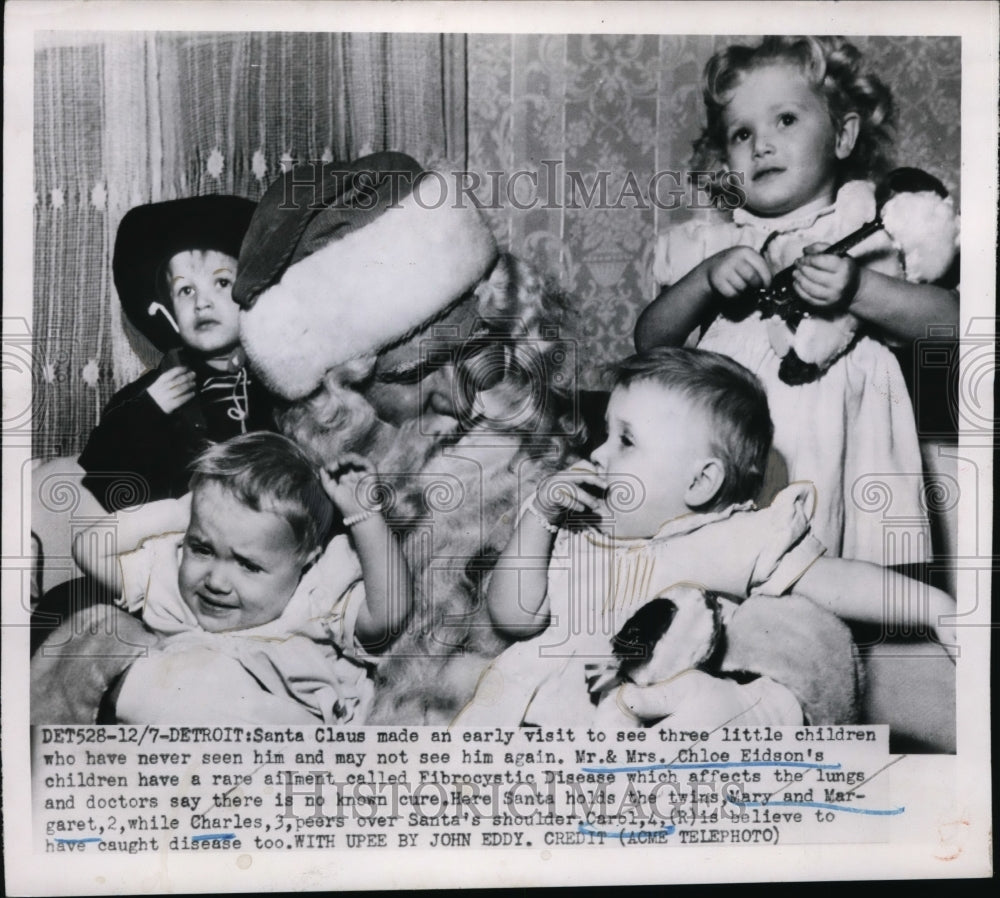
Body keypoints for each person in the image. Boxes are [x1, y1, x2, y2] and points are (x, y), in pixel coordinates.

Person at [455, 347, 956, 728]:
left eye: (625, 441)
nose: (599, 454)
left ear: (701, 482)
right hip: (522, 717)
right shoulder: (575, 528)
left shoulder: (732, 538)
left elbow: (837, 582)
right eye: (605, 434)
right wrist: (538, 517)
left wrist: (934, 607)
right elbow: (514, 618)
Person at [634, 36, 959, 564]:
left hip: (840, 456)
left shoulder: (870, 228)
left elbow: (950, 323)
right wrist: (702, 282)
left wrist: (860, 288)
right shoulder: (713, 243)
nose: (761, 143)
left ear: (843, 134)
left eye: (785, 120)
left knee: (835, 585)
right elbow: (650, 342)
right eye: (742, 133)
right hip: (736, 449)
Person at [67, 432, 412, 724]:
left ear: (305, 562)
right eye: (202, 549)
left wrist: (364, 516)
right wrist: (180, 511)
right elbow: (90, 548)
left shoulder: (315, 594)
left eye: (248, 565)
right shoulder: (170, 576)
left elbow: (388, 615)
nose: (216, 581)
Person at [78, 195, 276, 512]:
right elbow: (100, 482)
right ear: (168, 308)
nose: (201, 302)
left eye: (222, 282)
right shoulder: (149, 395)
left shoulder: (280, 383)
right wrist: (147, 413)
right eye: (186, 290)